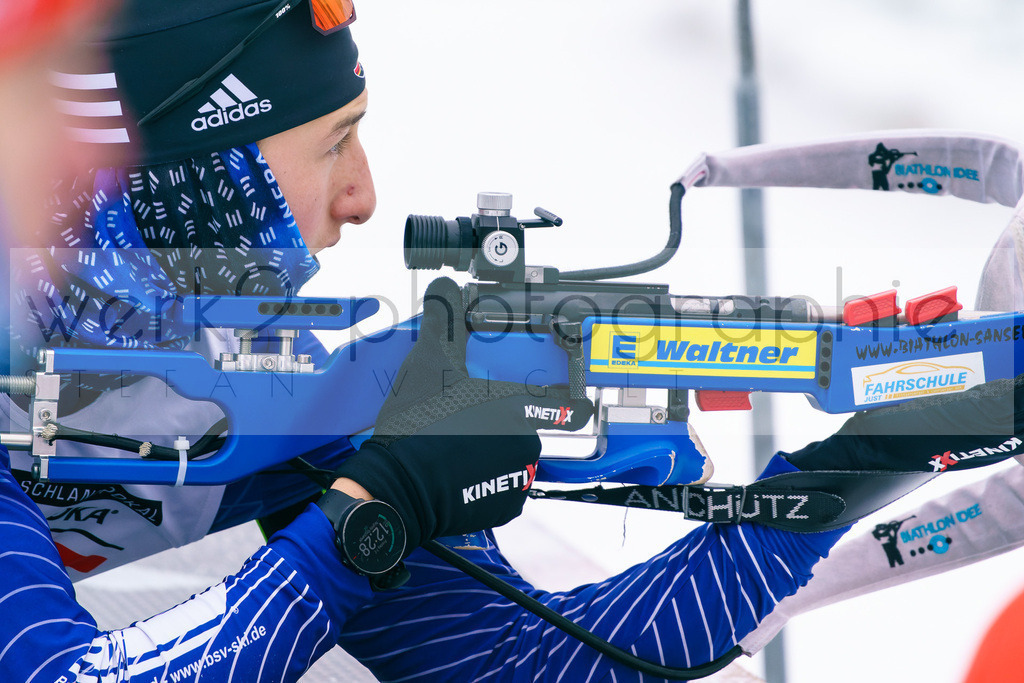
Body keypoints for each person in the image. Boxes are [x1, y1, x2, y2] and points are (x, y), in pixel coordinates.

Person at [2, 2, 1022, 681]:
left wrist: (874, 451)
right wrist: (370, 513)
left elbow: (522, 662)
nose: (362, 196)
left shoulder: (257, 384)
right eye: (330, 143)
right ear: (186, 181)